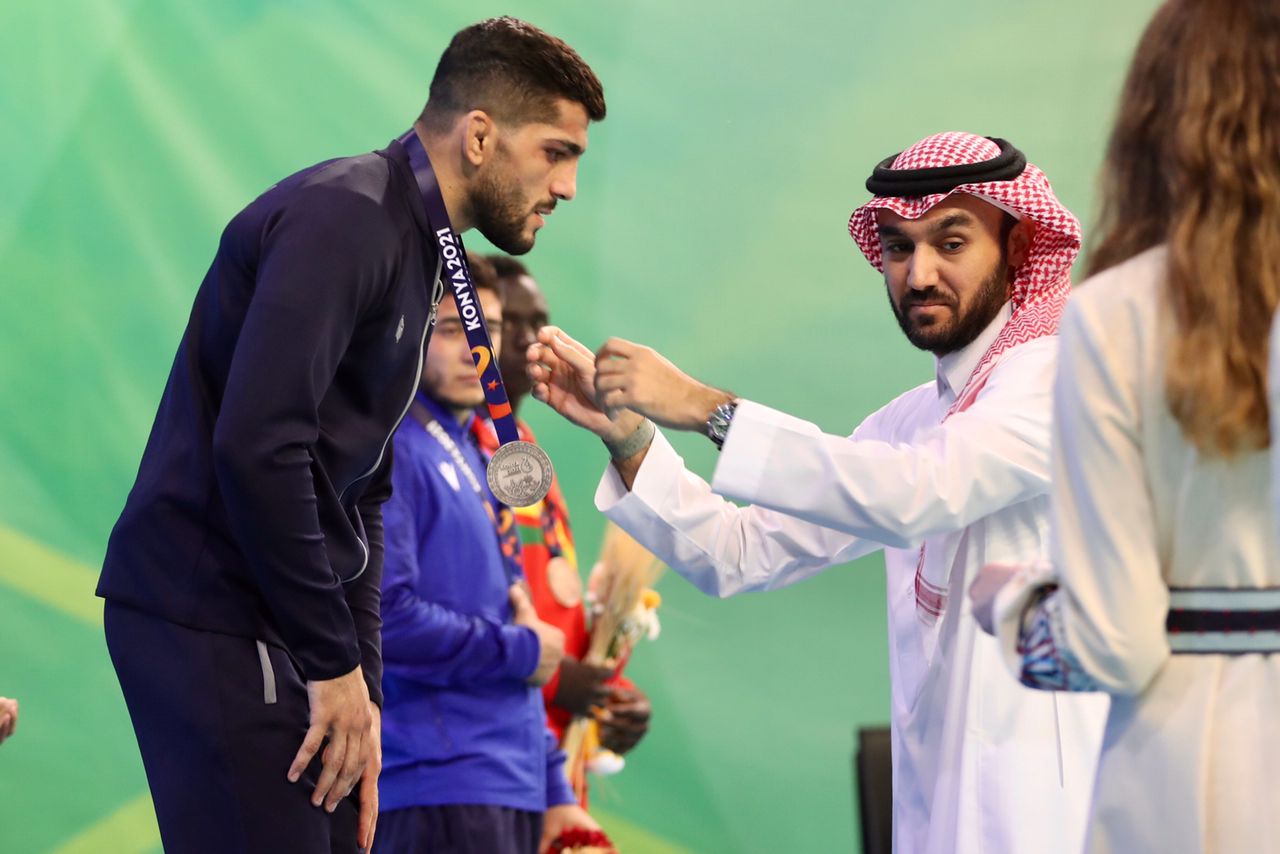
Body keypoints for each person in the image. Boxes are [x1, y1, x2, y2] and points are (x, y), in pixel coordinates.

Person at [96, 17, 604, 854]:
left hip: (289, 628)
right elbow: (260, 447)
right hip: (215, 610)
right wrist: (333, 663)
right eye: (557, 152)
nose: (569, 186)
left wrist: (362, 681)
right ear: (480, 136)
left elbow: (362, 485)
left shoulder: (420, 245)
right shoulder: (348, 216)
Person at [527, 132, 1108, 853]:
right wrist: (629, 436)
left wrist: (706, 408)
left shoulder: (1060, 378)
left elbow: (919, 493)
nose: (919, 274)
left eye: (951, 243)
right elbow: (739, 553)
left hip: (1057, 815)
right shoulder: (913, 422)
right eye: (898, 248)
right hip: (940, 817)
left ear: (1019, 247)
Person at [967, 1, 1280, 851]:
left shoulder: (1118, 317)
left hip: (1197, 775)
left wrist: (1013, 605)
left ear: (1158, 117)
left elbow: (1114, 643)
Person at [375, 253, 600, 853]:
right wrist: (522, 650)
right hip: (437, 783)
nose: (478, 350)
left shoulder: (479, 453)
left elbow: (514, 621)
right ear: (410, 329)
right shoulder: (391, 451)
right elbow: (385, 621)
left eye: (488, 330)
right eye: (455, 329)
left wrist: (555, 790)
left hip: (510, 783)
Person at [484, 255, 651, 783]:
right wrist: (557, 678)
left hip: (550, 759)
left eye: (540, 322)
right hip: (495, 751)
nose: (531, 340)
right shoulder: (455, 449)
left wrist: (610, 693)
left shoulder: (526, 451)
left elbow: (550, 602)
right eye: (511, 322)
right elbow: (460, 604)